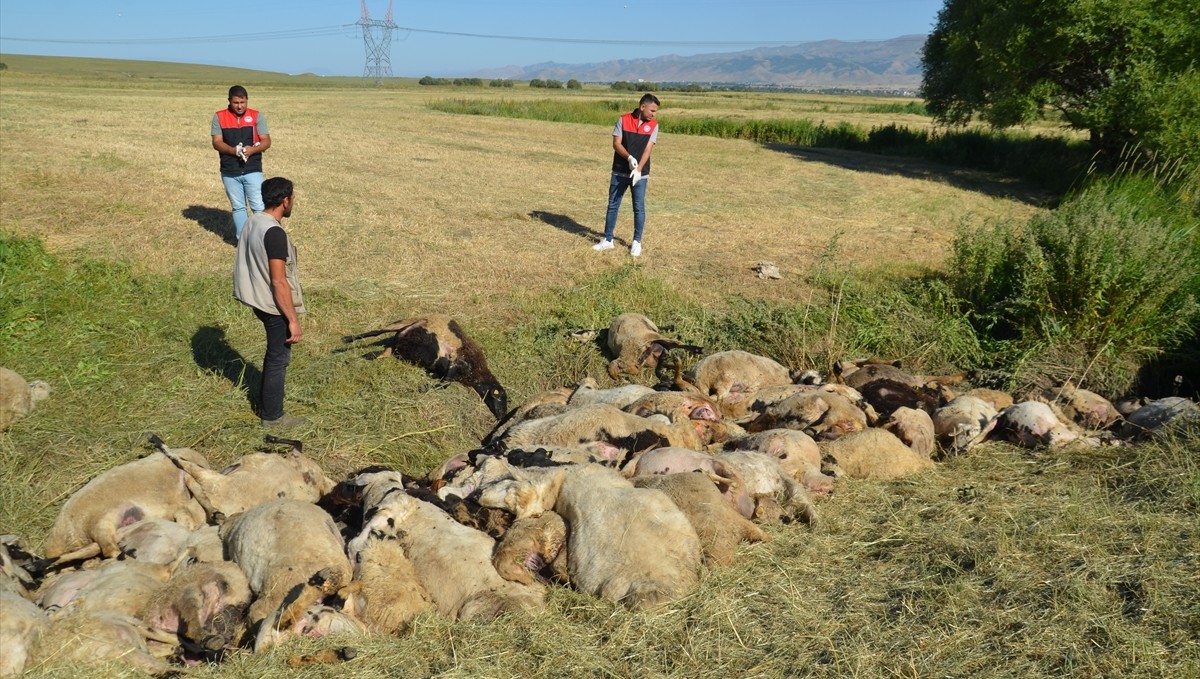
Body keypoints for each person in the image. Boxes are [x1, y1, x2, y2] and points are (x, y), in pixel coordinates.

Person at [233, 177, 306, 428]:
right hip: (272, 305)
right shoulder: (274, 233)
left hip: (256, 297)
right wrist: (293, 320)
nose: (293, 201)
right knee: (278, 359)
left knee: (274, 355)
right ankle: (273, 416)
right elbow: (279, 282)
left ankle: (269, 408)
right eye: (293, 197)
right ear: (285, 201)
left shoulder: (253, 221)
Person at [593, 93, 660, 257]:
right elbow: (616, 143)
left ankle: (637, 242)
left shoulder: (654, 125)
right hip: (619, 171)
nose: (654, 114)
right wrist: (629, 158)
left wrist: (638, 169)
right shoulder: (623, 120)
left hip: (640, 174)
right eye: (652, 110)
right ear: (642, 107)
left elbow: (648, 150)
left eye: (655, 111)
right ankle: (608, 240)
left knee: (638, 207)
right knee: (613, 205)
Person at [212, 85, 271, 240]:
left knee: (258, 207)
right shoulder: (219, 117)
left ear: (247, 100)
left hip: (253, 170)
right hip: (229, 171)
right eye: (236, 102)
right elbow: (216, 142)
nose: (240, 106)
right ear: (229, 101)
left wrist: (251, 150)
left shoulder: (256, 116)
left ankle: (263, 240)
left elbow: (266, 141)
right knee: (238, 208)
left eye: (243, 102)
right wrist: (234, 151)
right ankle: (243, 241)